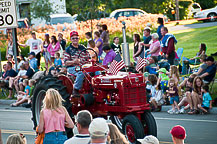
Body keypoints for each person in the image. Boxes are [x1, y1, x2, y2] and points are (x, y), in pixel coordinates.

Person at [65, 31, 89, 97]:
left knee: (96, 71)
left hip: (84, 66)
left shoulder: (82, 48)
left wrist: (90, 61)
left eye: (76, 38)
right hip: (72, 67)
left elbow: (88, 57)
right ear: (71, 39)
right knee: (81, 72)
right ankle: (75, 89)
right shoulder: (68, 49)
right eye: (73, 38)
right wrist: (73, 61)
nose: (75, 40)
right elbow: (66, 62)